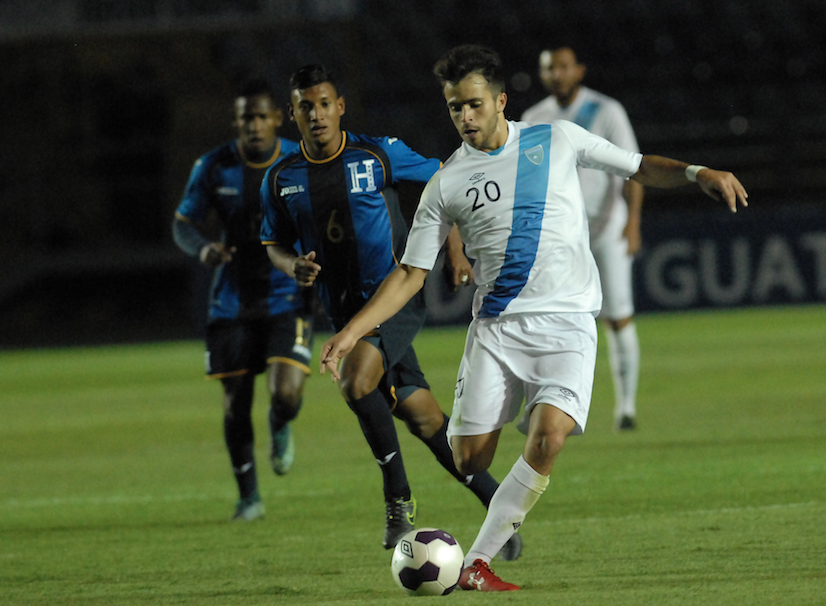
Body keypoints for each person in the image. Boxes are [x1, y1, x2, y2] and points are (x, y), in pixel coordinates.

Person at [320, 44, 748, 591]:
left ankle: (476, 562)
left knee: (548, 439)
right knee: (468, 457)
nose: (465, 118)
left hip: (567, 321)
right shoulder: (445, 183)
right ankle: (527, 413)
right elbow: (409, 274)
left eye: (473, 104)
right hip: (497, 330)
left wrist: (696, 172)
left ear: (501, 101)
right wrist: (352, 332)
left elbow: (638, 168)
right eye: (454, 108)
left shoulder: (557, 139)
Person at [260, 63, 522, 559]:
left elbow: (446, 183)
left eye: (323, 104)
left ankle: (398, 499)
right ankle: (499, 509)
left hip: (393, 296)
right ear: (291, 116)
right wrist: (290, 263)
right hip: (341, 311)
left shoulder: (378, 153)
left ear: (340, 107)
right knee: (423, 418)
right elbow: (272, 241)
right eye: (305, 107)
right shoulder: (280, 178)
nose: (316, 114)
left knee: (355, 381)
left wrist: (456, 247)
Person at [172, 78, 312, 521]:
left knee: (286, 395)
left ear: (276, 118)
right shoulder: (214, 167)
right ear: (236, 121)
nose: (254, 125)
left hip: (286, 295)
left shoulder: (298, 160)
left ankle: (281, 423)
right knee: (235, 402)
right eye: (245, 117)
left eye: (261, 116)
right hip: (231, 301)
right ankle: (249, 497)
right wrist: (203, 249)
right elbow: (182, 223)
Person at [522, 45, 645, 431]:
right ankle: (545, 405)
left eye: (562, 67)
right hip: (559, 236)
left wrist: (633, 223)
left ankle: (625, 407)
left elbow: (633, 167)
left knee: (618, 317)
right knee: (546, 317)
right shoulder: (534, 117)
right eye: (549, 69)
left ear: (579, 70)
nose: (556, 74)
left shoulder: (606, 111)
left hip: (606, 228)